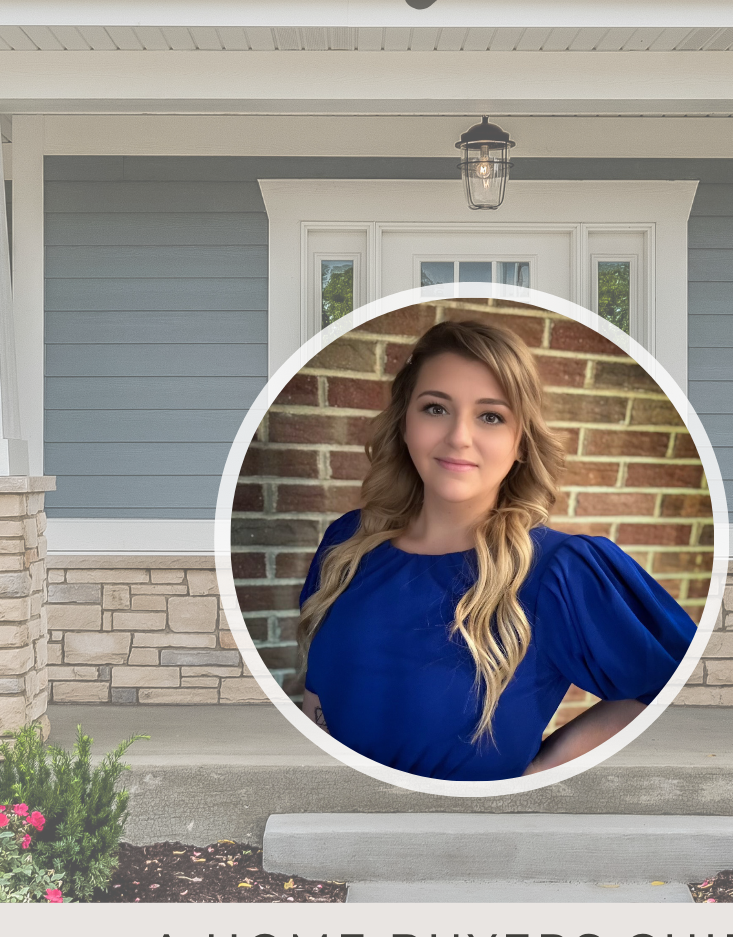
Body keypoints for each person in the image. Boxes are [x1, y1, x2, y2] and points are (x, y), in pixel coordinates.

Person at [296, 315, 696, 781]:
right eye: (435, 408)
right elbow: (318, 697)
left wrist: (543, 770)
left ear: (520, 442)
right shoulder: (348, 542)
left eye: (491, 416)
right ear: (405, 424)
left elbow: (682, 684)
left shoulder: (561, 571)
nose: (459, 436)